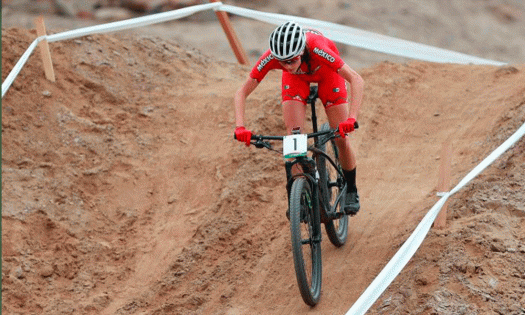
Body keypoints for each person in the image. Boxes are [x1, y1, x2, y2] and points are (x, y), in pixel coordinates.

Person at [233, 21, 364, 215]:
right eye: (282, 62)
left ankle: (351, 189)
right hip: (297, 82)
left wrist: (351, 118)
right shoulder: (273, 58)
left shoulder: (317, 47)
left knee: (340, 138)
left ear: (302, 51)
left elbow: (356, 79)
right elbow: (242, 92)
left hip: (328, 75)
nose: (287, 65)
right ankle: (301, 196)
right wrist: (240, 126)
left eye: (292, 60)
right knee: (293, 139)